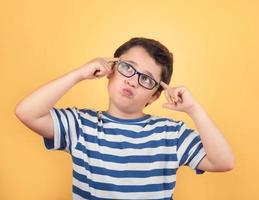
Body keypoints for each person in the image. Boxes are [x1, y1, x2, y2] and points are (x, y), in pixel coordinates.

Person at [15, 37, 234, 200]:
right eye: (127, 68)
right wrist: (79, 74)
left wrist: (194, 109)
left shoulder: (170, 133)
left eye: (146, 79)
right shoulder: (81, 125)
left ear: (154, 96)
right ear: (110, 70)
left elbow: (223, 162)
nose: (132, 81)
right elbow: (27, 112)